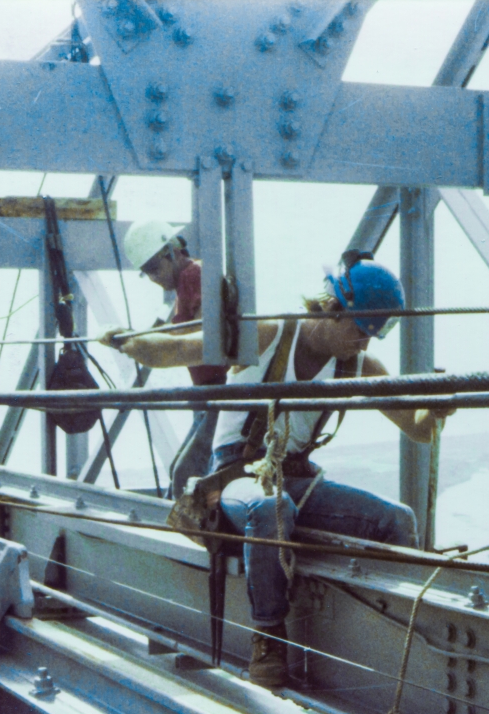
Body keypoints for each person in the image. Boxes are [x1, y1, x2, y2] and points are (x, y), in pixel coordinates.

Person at [101, 253, 451, 689]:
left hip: (297, 477)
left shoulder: (360, 366)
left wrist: (436, 410)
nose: (364, 345)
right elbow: (177, 347)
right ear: (335, 308)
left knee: (397, 520)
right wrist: (127, 342)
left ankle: (403, 636)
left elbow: (417, 431)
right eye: (361, 331)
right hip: (234, 475)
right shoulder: (270, 334)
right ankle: (268, 635)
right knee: (270, 507)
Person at [122, 220, 228, 498]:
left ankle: (188, 537)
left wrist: (135, 343)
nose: (155, 278)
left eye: (155, 269)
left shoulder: (194, 275)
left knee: (187, 473)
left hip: (220, 391)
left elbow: (194, 333)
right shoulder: (185, 283)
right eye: (148, 273)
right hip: (208, 394)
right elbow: (169, 330)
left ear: (172, 252)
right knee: (184, 470)